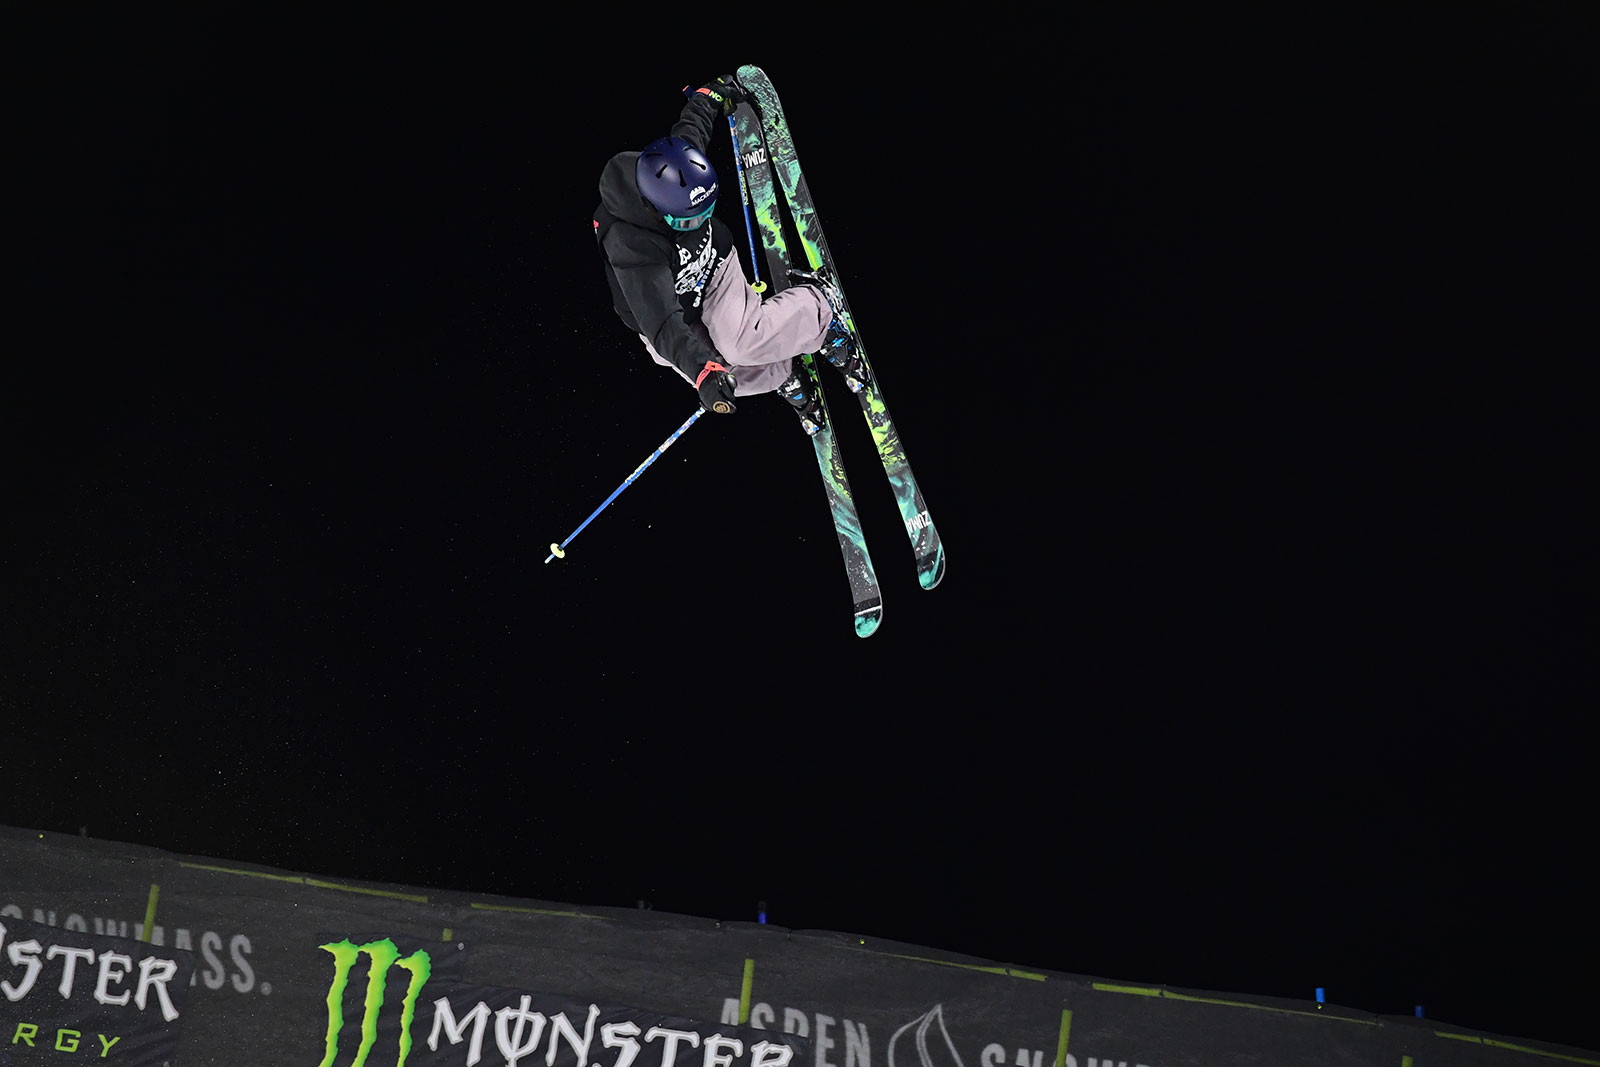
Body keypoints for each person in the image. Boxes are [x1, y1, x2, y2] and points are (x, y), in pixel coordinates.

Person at [592, 75, 870, 435]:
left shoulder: (677, 161)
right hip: (665, 316)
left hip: (714, 271)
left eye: (706, 210)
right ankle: (784, 370)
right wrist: (705, 373)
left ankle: (819, 307)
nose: (699, 222)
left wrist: (709, 98)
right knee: (716, 366)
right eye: (689, 218)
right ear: (653, 208)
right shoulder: (631, 245)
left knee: (740, 342)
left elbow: (693, 126)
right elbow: (661, 323)